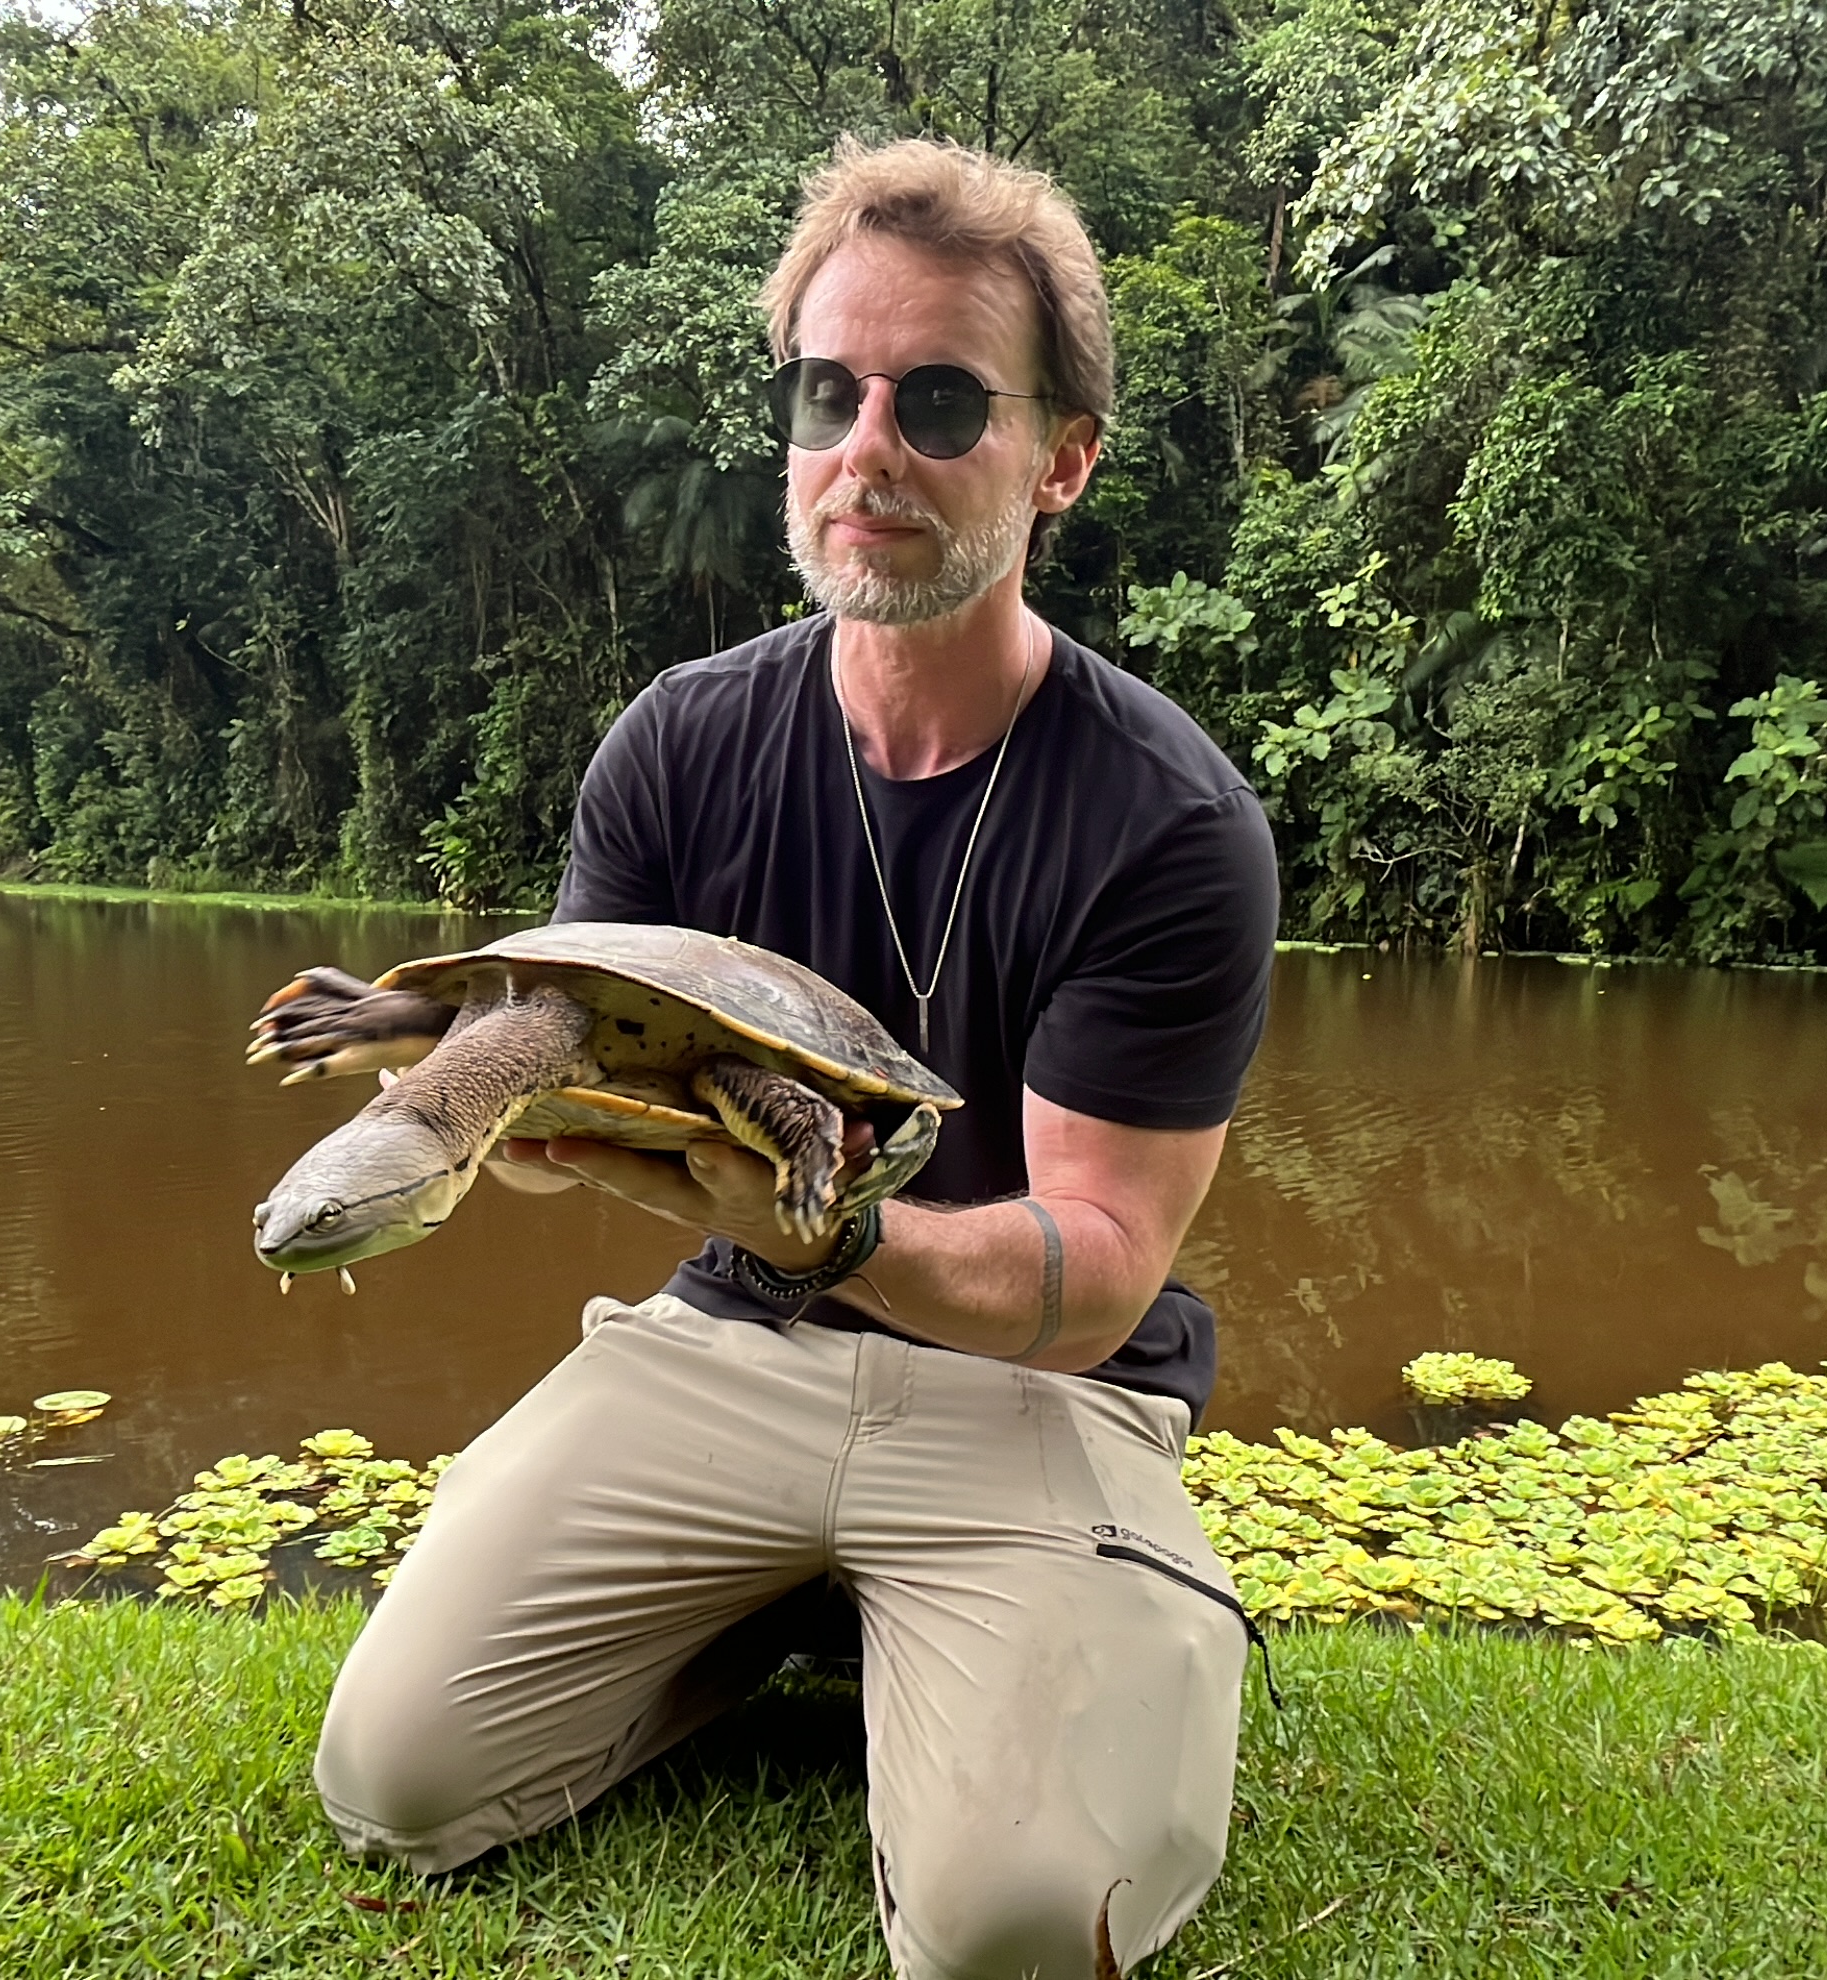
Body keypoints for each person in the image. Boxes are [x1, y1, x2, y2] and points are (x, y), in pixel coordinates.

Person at [291, 135, 1280, 1979]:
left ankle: (1087, 1608)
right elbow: (554, 1044)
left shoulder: (1167, 820)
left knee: (1004, 1936)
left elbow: (1095, 1270)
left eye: (942, 398)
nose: (869, 443)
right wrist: (426, 1067)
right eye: (830, 390)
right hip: (728, 1346)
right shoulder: (678, 744)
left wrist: (833, 1233)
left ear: (1057, 458)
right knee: (398, 1784)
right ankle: (773, 1615)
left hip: (1029, 1386)